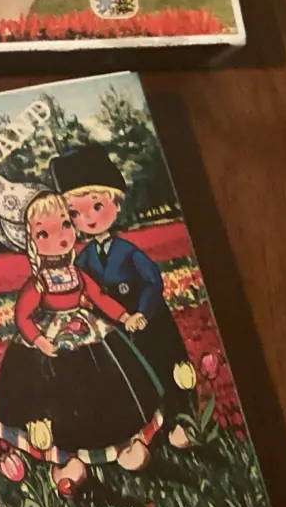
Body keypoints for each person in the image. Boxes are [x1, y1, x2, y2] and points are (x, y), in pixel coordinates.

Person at [0, 171, 165, 497]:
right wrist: (40, 340)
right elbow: (22, 315)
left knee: (106, 386)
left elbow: (98, 298)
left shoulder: (77, 273)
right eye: (44, 233)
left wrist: (124, 316)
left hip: (87, 333)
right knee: (60, 399)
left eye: (65, 225)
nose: (59, 237)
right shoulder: (38, 282)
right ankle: (66, 460)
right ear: (29, 240)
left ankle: (122, 444)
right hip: (51, 342)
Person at [52, 144, 195, 450]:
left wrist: (143, 312)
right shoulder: (85, 257)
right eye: (75, 213)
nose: (87, 219)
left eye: (96, 206)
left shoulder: (128, 251)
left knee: (162, 365)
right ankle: (140, 435)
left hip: (148, 320)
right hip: (113, 325)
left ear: (115, 201)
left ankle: (179, 422)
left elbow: (152, 281)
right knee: (128, 375)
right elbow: (80, 287)